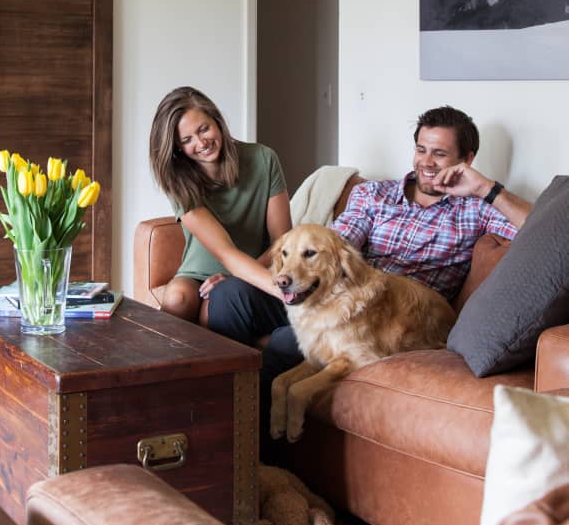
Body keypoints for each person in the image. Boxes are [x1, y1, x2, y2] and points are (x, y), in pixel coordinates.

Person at [205, 105, 532, 443]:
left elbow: (545, 230)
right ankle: (207, 416)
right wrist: (245, 273)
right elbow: (331, 246)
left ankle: (247, 447)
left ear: (467, 159)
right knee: (230, 297)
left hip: (388, 313)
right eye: (421, 149)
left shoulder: (476, 209)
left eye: (440, 153)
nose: (426, 162)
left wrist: (487, 190)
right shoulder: (373, 195)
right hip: (333, 293)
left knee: (288, 343)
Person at [149, 86, 292, 326]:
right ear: (177, 148)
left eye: (204, 129)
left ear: (217, 121)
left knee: (215, 308)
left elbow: (283, 241)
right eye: (187, 140)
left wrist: (241, 280)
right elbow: (225, 251)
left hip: (255, 266)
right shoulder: (178, 180)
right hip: (198, 272)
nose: (201, 142)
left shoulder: (264, 159)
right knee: (176, 299)